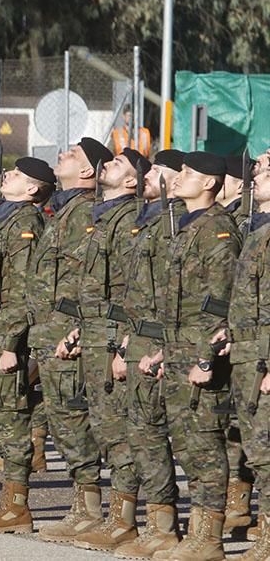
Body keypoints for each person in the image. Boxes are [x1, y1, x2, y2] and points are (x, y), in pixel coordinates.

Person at [153, 151, 241, 560]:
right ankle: (197, 531)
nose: (178, 177)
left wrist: (206, 357)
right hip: (177, 349)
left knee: (206, 446)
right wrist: (161, 349)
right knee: (187, 445)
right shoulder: (185, 226)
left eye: (188, 172)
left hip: (200, 355)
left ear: (209, 183)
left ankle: (209, 537)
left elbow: (220, 301)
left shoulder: (217, 230)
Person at [28, 138, 112, 544]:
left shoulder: (82, 214)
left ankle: (90, 507)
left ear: (87, 173)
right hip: (49, 328)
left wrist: (76, 328)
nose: (62, 154)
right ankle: (84, 504)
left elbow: (88, 280)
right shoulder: (66, 210)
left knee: (73, 419)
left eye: (73, 154)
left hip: (65, 331)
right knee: (62, 419)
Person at [0, 157, 54, 534]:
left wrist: (11, 345)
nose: (8, 176)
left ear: (33, 189)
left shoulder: (26, 222)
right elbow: (0, 281)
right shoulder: (7, 217)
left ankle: (16, 507)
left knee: (12, 422)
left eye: (17, 175)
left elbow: (23, 292)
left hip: (6, 338)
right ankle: (4, 504)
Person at [68, 148, 147, 552]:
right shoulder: (104, 216)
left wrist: (120, 345)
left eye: (117, 164)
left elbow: (129, 291)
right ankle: (106, 515)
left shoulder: (128, 218)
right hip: (94, 333)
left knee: (118, 432)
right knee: (102, 427)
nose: (106, 166)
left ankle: (124, 519)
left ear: (132, 181)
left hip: (112, 337)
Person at [115, 149, 186, 558]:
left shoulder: (173, 225)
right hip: (138, 338)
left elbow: (174, 294)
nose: (149, 174)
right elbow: (134, 292)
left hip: (159, 343)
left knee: (158, 435)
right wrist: (126, 338)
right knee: (140, 433)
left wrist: (160, 347)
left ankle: (166, 526)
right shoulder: (149, 222)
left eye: (158, 170)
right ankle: (152, 522)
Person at [226, 165, 270, 559]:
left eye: (268, 169)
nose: (256, 174)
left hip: (262, 358)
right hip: (246, 353)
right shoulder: (256, 230)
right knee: (256, 450)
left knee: (266, 450)